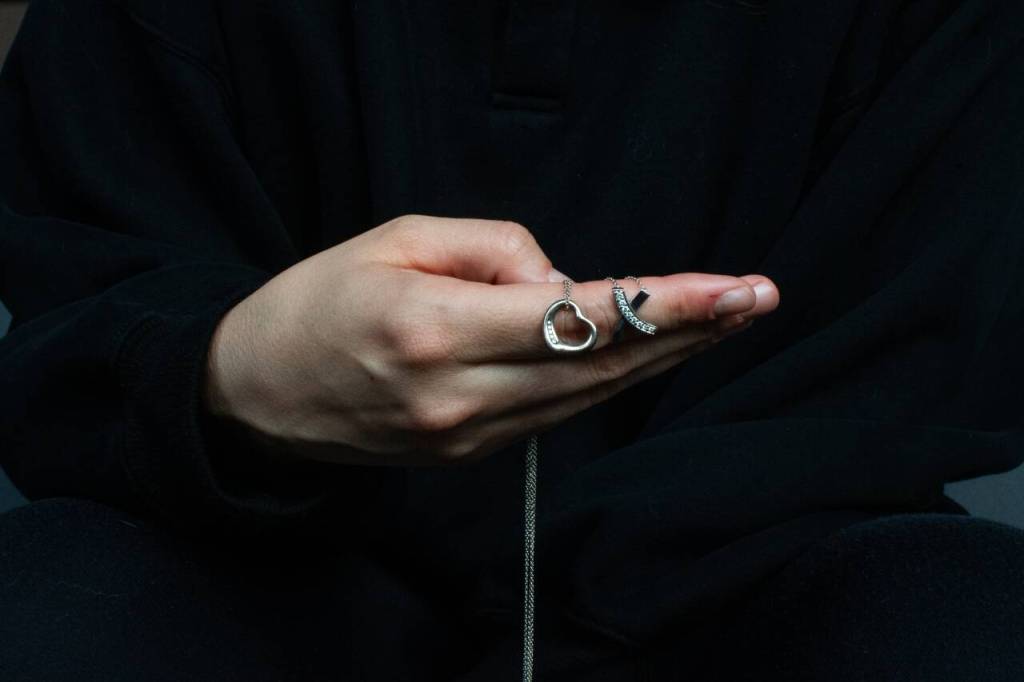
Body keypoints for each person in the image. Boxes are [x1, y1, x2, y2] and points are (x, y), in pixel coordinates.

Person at [1, 0, 1023, 679]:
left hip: (782, 594)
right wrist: (227, 368)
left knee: (969, 623)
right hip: (239, 575)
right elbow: (71, 311)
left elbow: (933, 354)